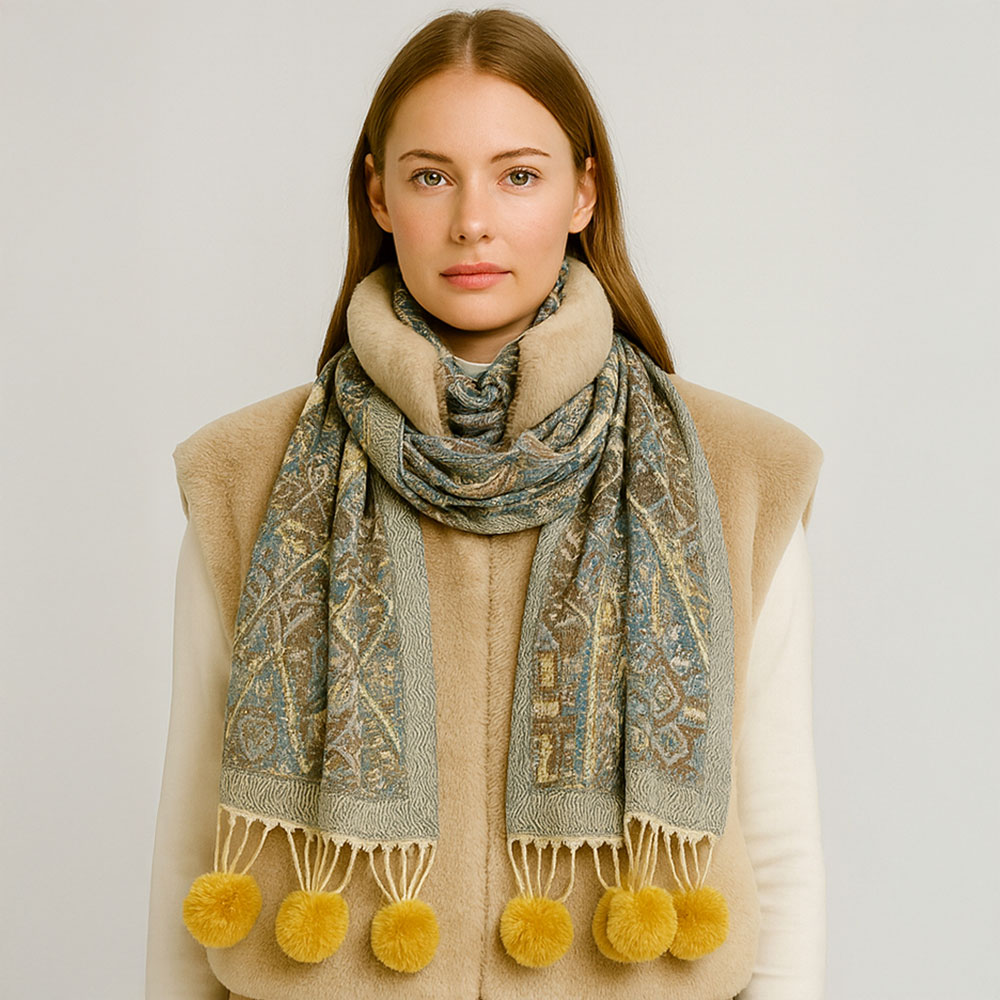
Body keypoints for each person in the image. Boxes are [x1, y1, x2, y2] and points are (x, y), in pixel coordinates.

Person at [145, 9, 825, 1000]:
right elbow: (190, 842)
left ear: (583, 192)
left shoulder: (741, 471)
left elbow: (780, 849)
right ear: (378, 194)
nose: (472, 219)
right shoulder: (244, 474)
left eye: (518, 175)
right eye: (431, 176)